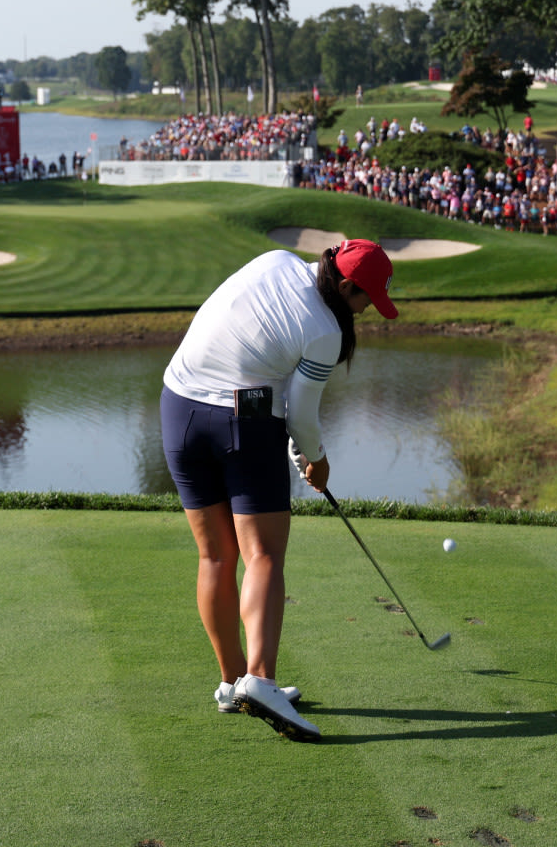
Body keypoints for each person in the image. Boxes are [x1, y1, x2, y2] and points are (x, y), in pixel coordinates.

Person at [160, 239, 399, 743]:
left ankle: (232, 683)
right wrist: (317, 459)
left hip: (177, 406)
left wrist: (290, 435)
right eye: (365, 301)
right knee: (263, 553)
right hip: (239, 421)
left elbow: (276, 387)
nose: (366, 313)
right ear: (349, 285)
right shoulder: (327, 331)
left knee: (215, 557)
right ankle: (261, 680)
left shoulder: (277, 260)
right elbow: (304, 414)